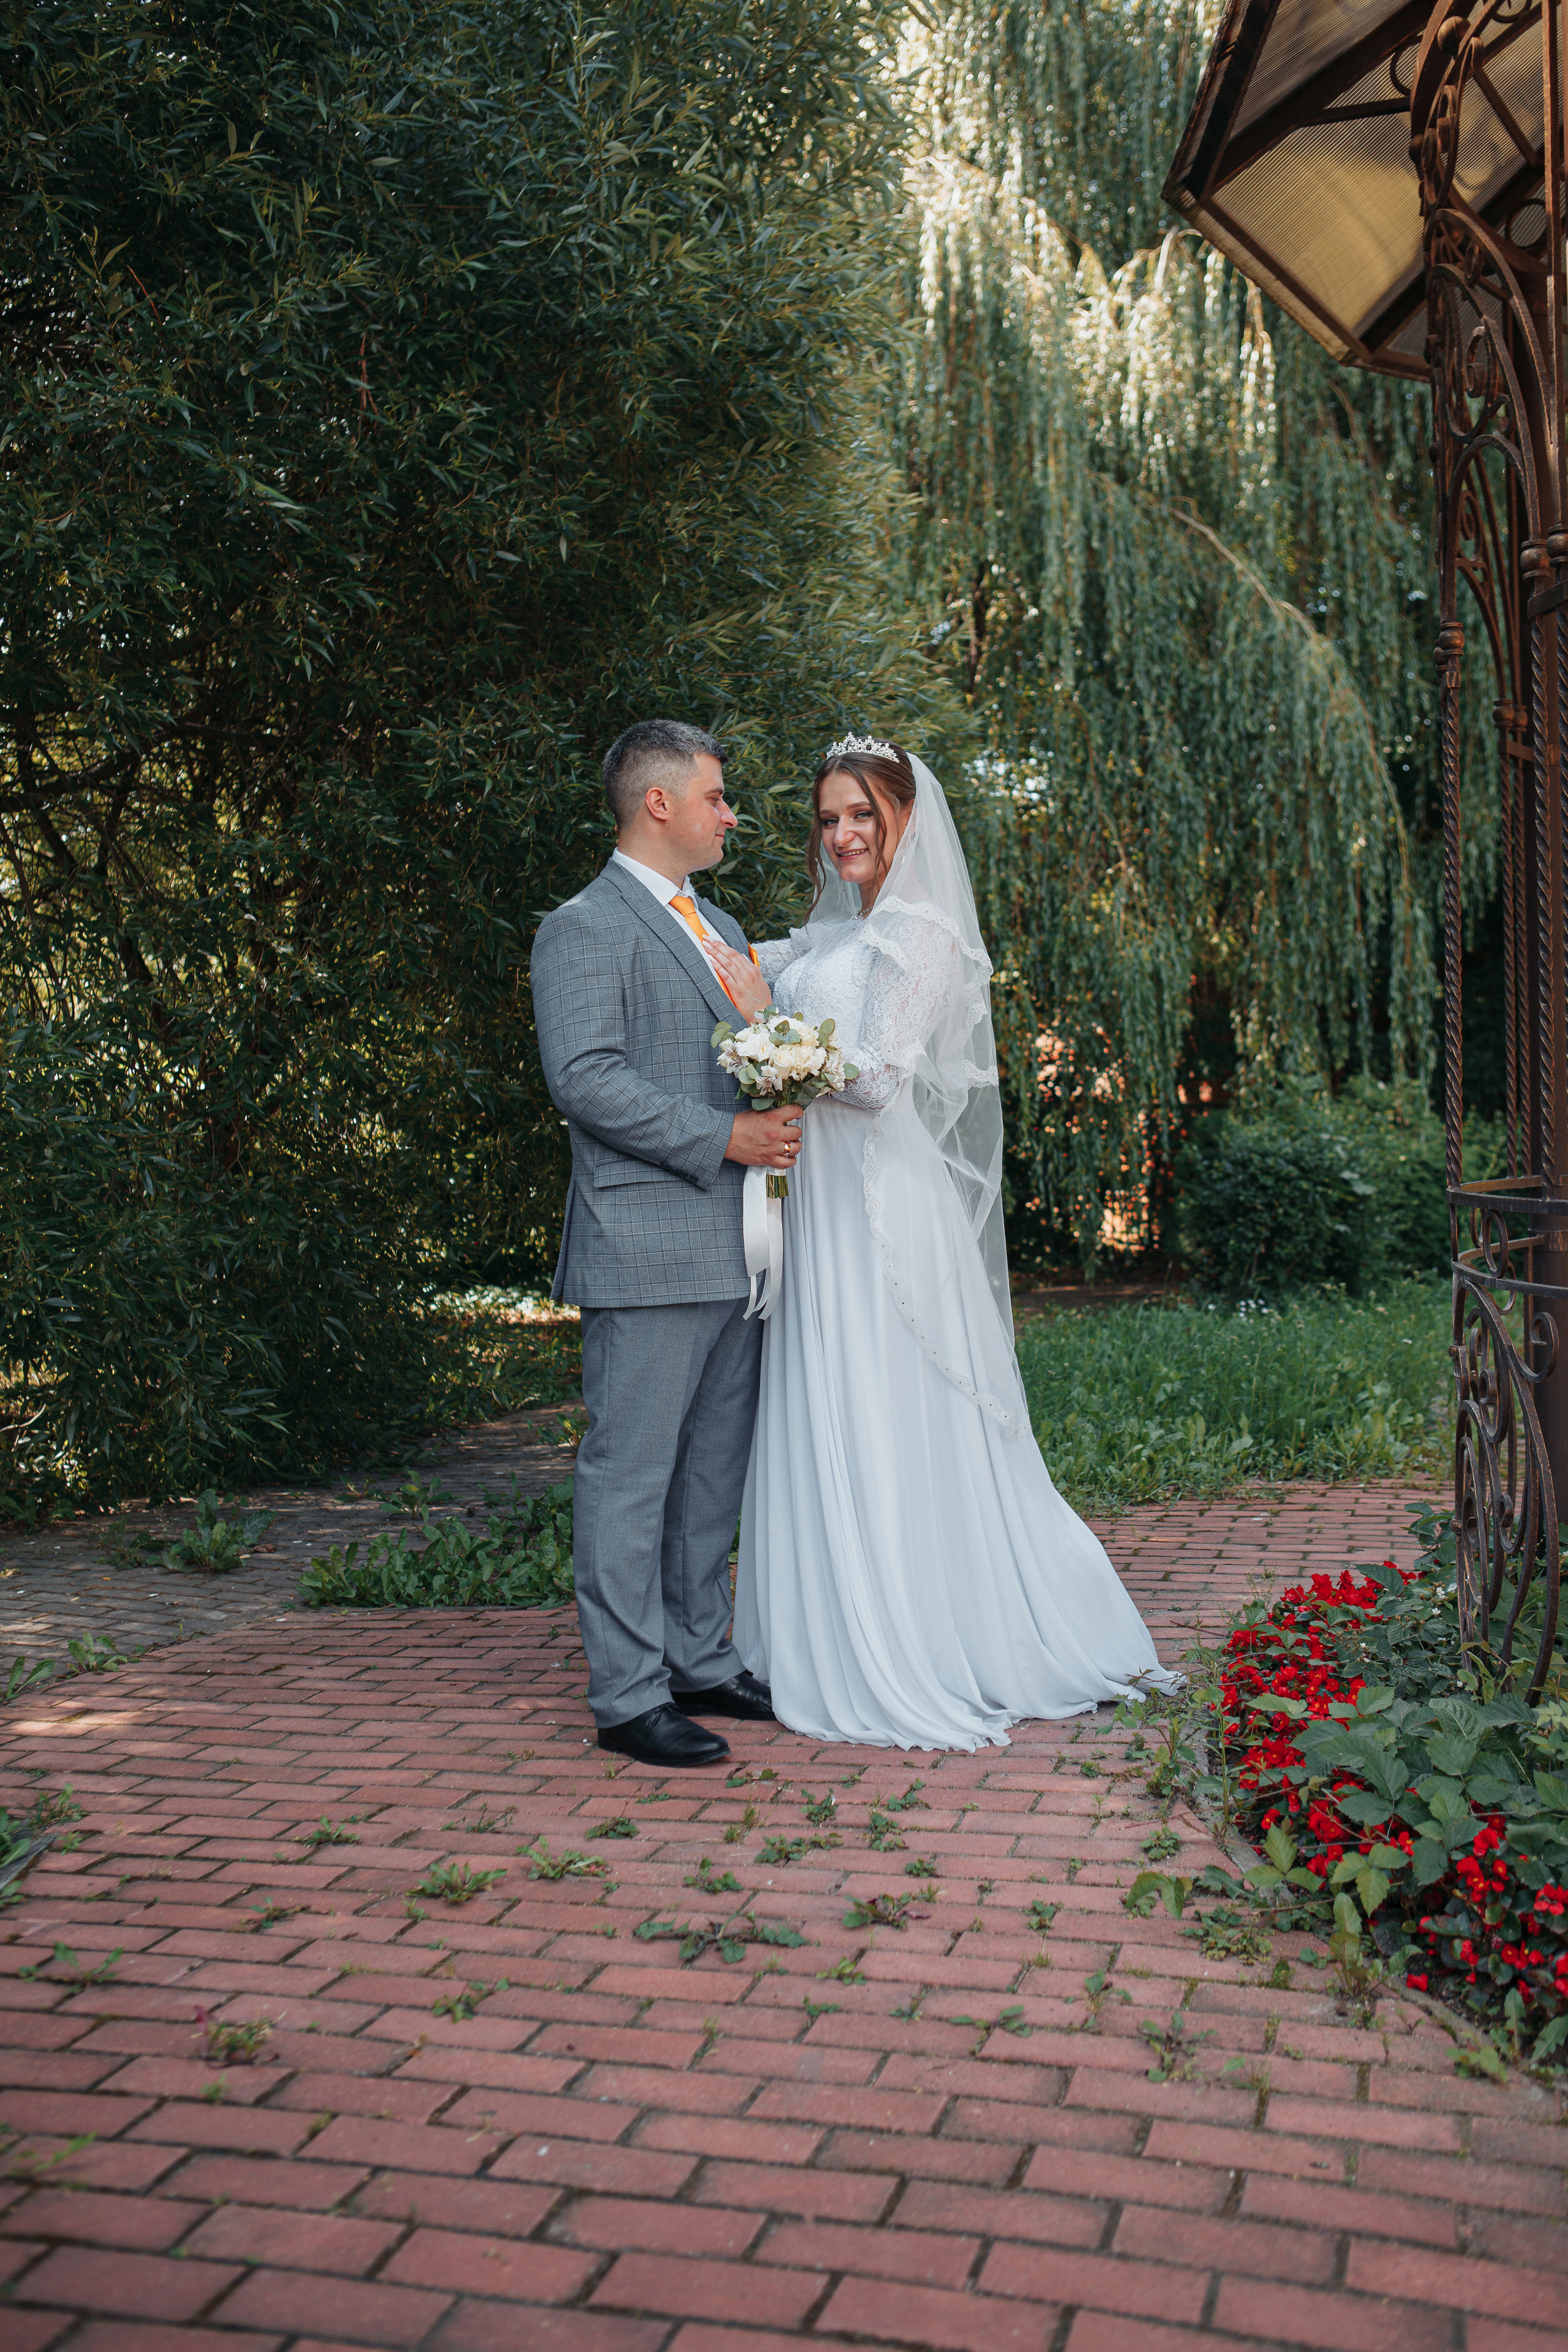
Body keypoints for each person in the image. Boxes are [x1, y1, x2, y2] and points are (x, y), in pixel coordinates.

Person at [700, 735, 1181, 1750]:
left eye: (862, 815)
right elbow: (738, 964)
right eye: (829, 818)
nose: (842, 836)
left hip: (877, 1199)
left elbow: (877, 1080)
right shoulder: (830, 938)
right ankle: (818, 1631)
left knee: (885, 1396)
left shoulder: (922, 937)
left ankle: (924, 1631)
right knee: (823, 1390)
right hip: (812, 1195)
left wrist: (768, 1027)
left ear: (905, 821)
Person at [530, 720, 799, 1770]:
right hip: (645, 1241)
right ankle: (628, 1694)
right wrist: (726, 1136)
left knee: (711, 1472)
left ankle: (697, 1656)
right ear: (660, 803)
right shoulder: (584, 927)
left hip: (742, 1241)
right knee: (631, 1475)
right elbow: (585, 1079)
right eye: (719, 796)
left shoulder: (717, 921)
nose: (731, 814)